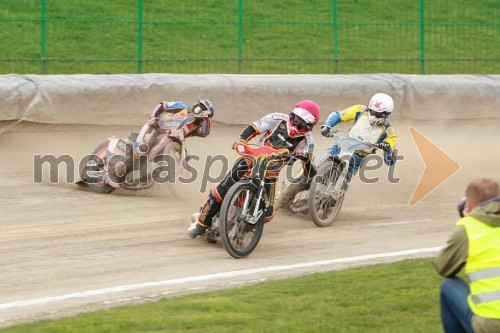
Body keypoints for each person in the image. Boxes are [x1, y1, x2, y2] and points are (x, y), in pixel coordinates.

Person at [186, 99, 321, 238]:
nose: (296, 123)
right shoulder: (277, 118)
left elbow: (309, 169)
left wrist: (306, 161)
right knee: (220, 190)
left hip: (271, 174)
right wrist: (241, 140)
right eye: (295, 118)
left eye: (302, 122)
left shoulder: (308, 142)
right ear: (291, 114)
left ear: (310, 125)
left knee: (267, 213)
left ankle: (242, 231)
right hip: (251, 159)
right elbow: (254, 127)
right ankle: (200, 224)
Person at [435, 178, 500, 333]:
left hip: (492, 325)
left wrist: (468, 220)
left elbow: (443, 268)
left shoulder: (468, 229)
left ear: (469, 205)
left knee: (448, 286)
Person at [318, 92, 397, 178]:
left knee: (345, 180)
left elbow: (390, 161)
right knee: (314, 166)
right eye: (372, 110)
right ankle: (301, 177)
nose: (373, 114)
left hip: (357, 158)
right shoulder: (360, 110)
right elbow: (339, 115)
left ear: (386, 114)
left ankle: (338, 189)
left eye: (377, 113)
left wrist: (388, 149)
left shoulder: (389, 132)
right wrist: (327, 126)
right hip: (342, 146)